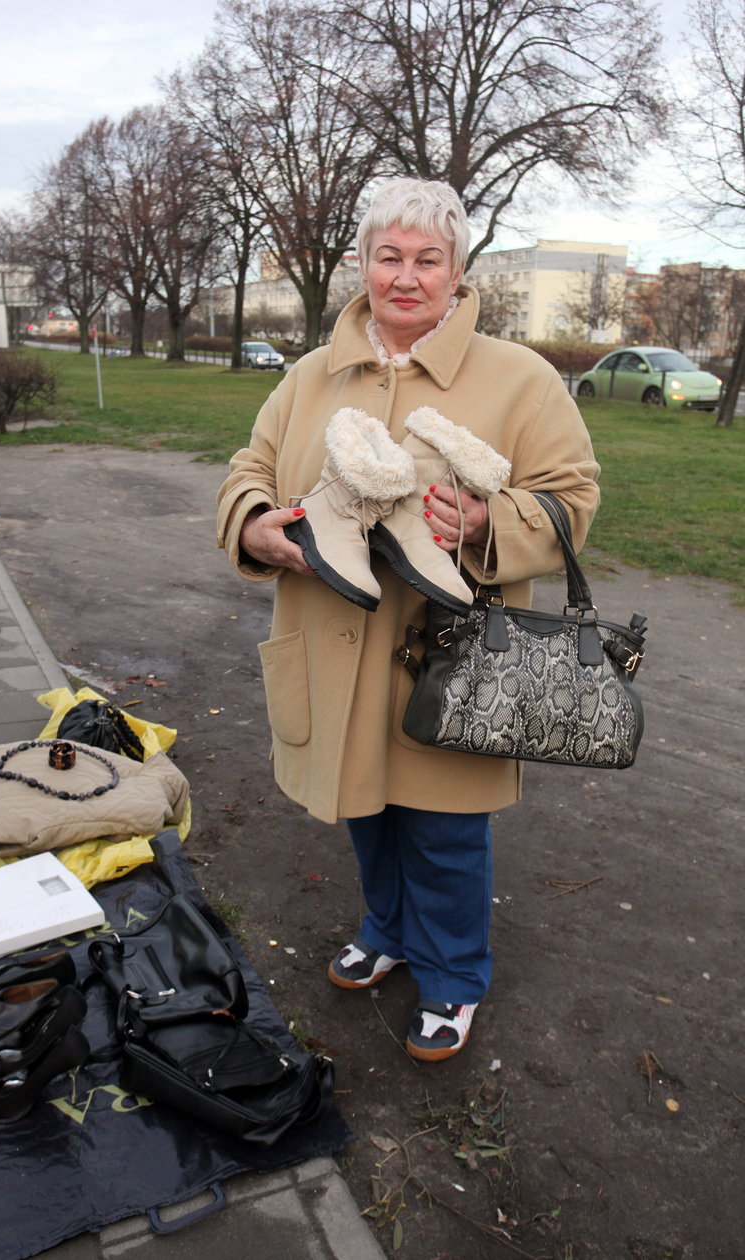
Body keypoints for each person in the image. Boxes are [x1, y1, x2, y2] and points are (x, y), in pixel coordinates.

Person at [216, 178, 599, 1062]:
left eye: (428, 259)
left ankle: (455, 975)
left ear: (458, 271)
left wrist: (485, 525)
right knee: (367, 809)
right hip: (333, 644)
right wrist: (254, 525)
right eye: (389, 255)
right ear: (362, 262)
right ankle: (386, 931)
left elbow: (574, 498)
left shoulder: (521, 378)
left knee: (444, 828)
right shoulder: (311, 375)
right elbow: (251, 467)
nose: (406, 276)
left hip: (452, 655)